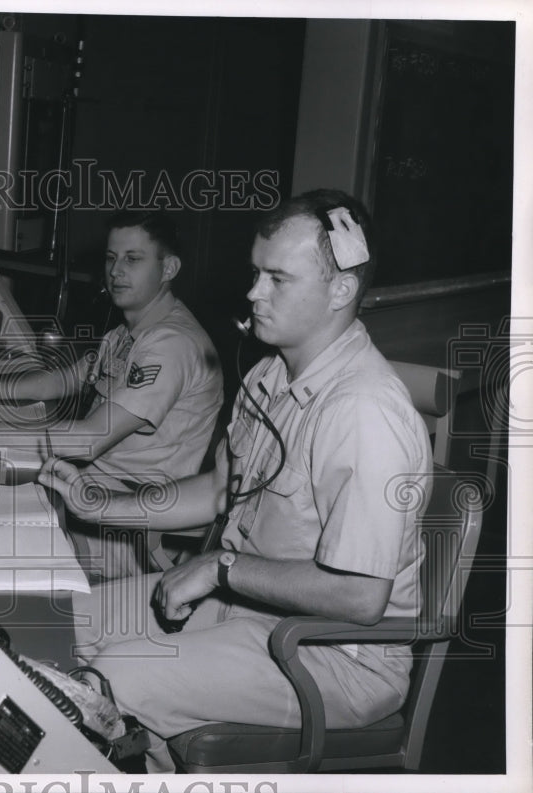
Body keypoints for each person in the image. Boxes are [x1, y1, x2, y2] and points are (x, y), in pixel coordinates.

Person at [39, 189, 433, 772]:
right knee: (61, 621)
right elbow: (221, 493)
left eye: (278, 278)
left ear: (341, 290)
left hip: (332, 655)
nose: (253, 293)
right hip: (246, 608)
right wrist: (99, 504)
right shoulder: (269, 377)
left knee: (112, 676)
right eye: (256, 273)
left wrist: (218, 567)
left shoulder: (364, 413)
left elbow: (360, 596)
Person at [0, 211, 224, 578]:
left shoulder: (172, 344)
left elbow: (89, 440)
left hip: (126, 525)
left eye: (133, 259)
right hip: (88, 489)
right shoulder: (128, 333)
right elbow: (58, 381)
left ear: (169, 267)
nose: (116, 271)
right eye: (111, 258)